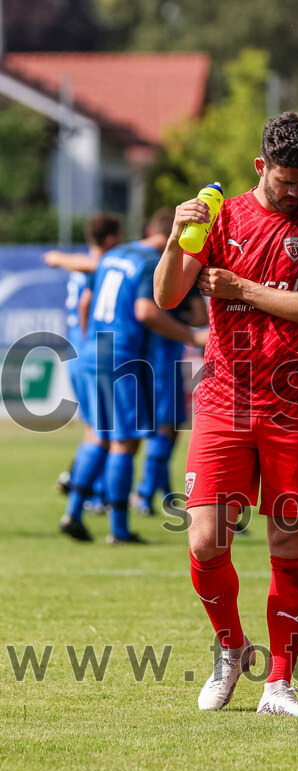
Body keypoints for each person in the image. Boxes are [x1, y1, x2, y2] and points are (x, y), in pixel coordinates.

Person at [154, 112, 298, 717]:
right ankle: (231, 649)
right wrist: (174, 237)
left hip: (293, 405)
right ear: (260, 167)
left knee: (289, 541)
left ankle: (280, 684)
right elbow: (167, 296)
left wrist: (238, 288)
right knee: (207, 539)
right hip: (223, 400)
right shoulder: (222, 217)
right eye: (287, 181)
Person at [60, 210, 206, 544]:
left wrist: (90, 340)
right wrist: (191, 335)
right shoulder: (150, 261)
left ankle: (73, 512)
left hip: (94, 350)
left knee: (97, 435)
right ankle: (119, 529)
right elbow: (145, 311)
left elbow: (85, 302)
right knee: (125, 441)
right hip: (123, 358)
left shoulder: (115, 254)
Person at [48, 213, 123, 529]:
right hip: (94, 353)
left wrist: (60, 258)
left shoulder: (80, 265)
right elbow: (85, 303)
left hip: (75, 354)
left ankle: (86, 488)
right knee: (107, 433)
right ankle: (86, 497)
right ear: (111, 240)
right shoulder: (106, 268)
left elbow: (53, 257)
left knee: (96, 428)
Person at [131, 212, 209, 517]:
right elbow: (200, 316)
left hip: (122, 352)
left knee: (122, 431)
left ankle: (157, 493)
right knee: (167, 425)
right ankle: (145, 494)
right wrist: (188, 326)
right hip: (161, 352)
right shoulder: (173, 264)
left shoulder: (126, 256)